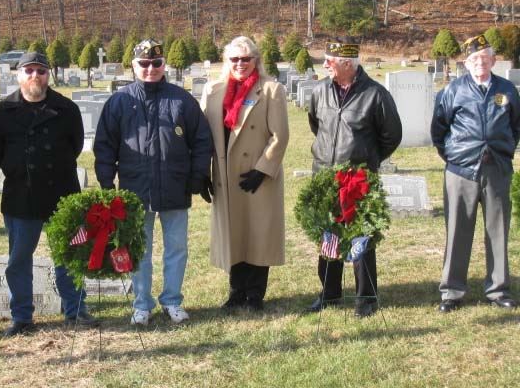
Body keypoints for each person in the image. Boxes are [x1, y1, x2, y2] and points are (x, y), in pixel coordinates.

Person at [94, 39, 212, 326]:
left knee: (176, 248)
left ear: (164, 66)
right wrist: (106, 182)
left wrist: (197, 175)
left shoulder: (182, 100)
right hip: (135, 190)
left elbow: (201, 140)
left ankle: (172, 301)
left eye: (156, 64)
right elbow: (105, 145)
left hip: (175, 187)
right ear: (134, 66)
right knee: (140, 250)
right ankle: (142, 305)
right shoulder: (119, 102)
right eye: (144, 64)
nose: (150, 69)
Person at [0, 51, 95, 336]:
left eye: (41, 71)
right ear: (19, 75)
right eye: (30, 71)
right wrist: (19, 169)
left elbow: (74, 146)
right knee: (19, 260)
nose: (36, 76)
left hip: (62, 194)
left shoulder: (66, 109)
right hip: (21, 196)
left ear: (49, 75)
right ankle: (22, 317)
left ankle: (75, 310)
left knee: (68, 256)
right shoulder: (2, 111)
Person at [308, 41, 402, 318]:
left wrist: (366, 160)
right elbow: (316, 126)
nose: (325, 65)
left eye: (330, 60)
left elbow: (391, 136)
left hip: (358, 180)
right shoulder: (320, 91)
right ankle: (330, 292)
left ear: (348, 63)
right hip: (325, 176)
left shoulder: (376, 94)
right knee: (329, 237)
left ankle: (366, 298)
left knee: (361, 238)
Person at [431, 35, 520, 313]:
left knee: (498, 230)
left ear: (494, 60)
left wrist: (503, 152)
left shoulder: (507, 90)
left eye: (485, 57)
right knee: (457, 230)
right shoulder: (453, 90)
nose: (480, 62)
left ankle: (498, 289)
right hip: (461, 170)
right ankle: (452, 291)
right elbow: (439, 130)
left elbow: (516, 126)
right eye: (474, 59)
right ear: (466, 63)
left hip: (496, 169)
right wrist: (455, 157)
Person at [200, 36, 289, 312]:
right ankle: (236, 292)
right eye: (234, 59)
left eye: (246, 59)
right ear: (226, 61)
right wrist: (203, 172)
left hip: (257, 175)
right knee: (234, 234)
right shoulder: (213, 90)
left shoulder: (271, 90)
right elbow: (203, 136)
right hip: (225, 175)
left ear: (256, 61)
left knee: (258, 234)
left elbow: (280, 136)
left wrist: (262, 170)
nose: (240, 64)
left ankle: (255, 294)